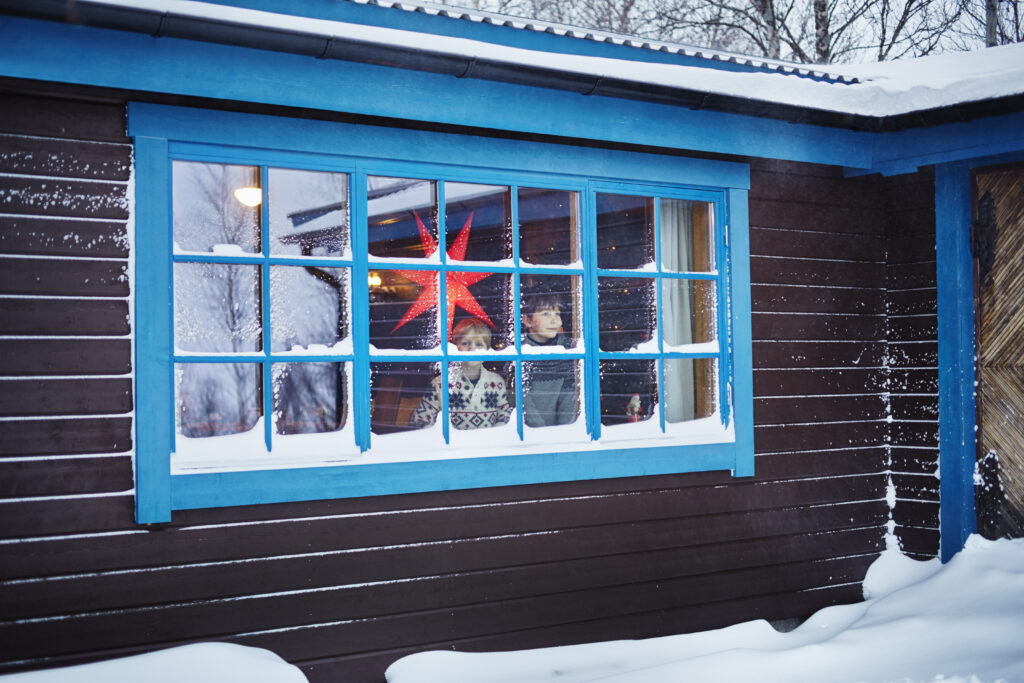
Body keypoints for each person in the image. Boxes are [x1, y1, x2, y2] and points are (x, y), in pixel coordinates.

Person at [410, 318, 512, 430]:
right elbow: (421, 421)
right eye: (465, 343)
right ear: (455, 348)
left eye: (479, 344)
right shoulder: (441, 383)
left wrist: (491, 436)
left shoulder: (497, 382)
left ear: (487, 350)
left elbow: (505, 417)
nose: (472, 349)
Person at [521, 283, 578, 428]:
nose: (555, 320)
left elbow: (569, 397)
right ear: (527, 320)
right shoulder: (520, 351)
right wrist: (543, 433)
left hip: (560, 434)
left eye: (557, 314)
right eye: (546, 314)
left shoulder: (567, 350)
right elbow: (523, 400)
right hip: (529, 433)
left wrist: (563, 431)